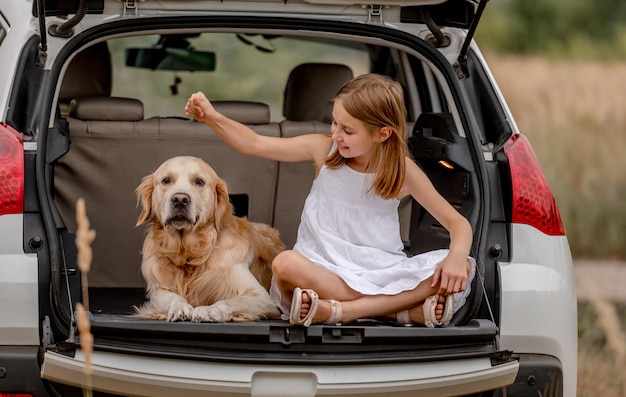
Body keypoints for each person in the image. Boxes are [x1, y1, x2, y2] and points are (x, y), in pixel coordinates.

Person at [185, 73, 475, 327]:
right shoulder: (323, 151)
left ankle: (342, 312)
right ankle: (396, 312)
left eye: (348, 131)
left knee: (460, 265)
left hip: (379, 272)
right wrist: (212, 117)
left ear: (382, 134)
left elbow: (457, 224)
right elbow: (254, 143)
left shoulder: (402, 170)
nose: (336, 135)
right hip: (322, 271)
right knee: (285, 265)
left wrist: (456, 258)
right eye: (334, 123)